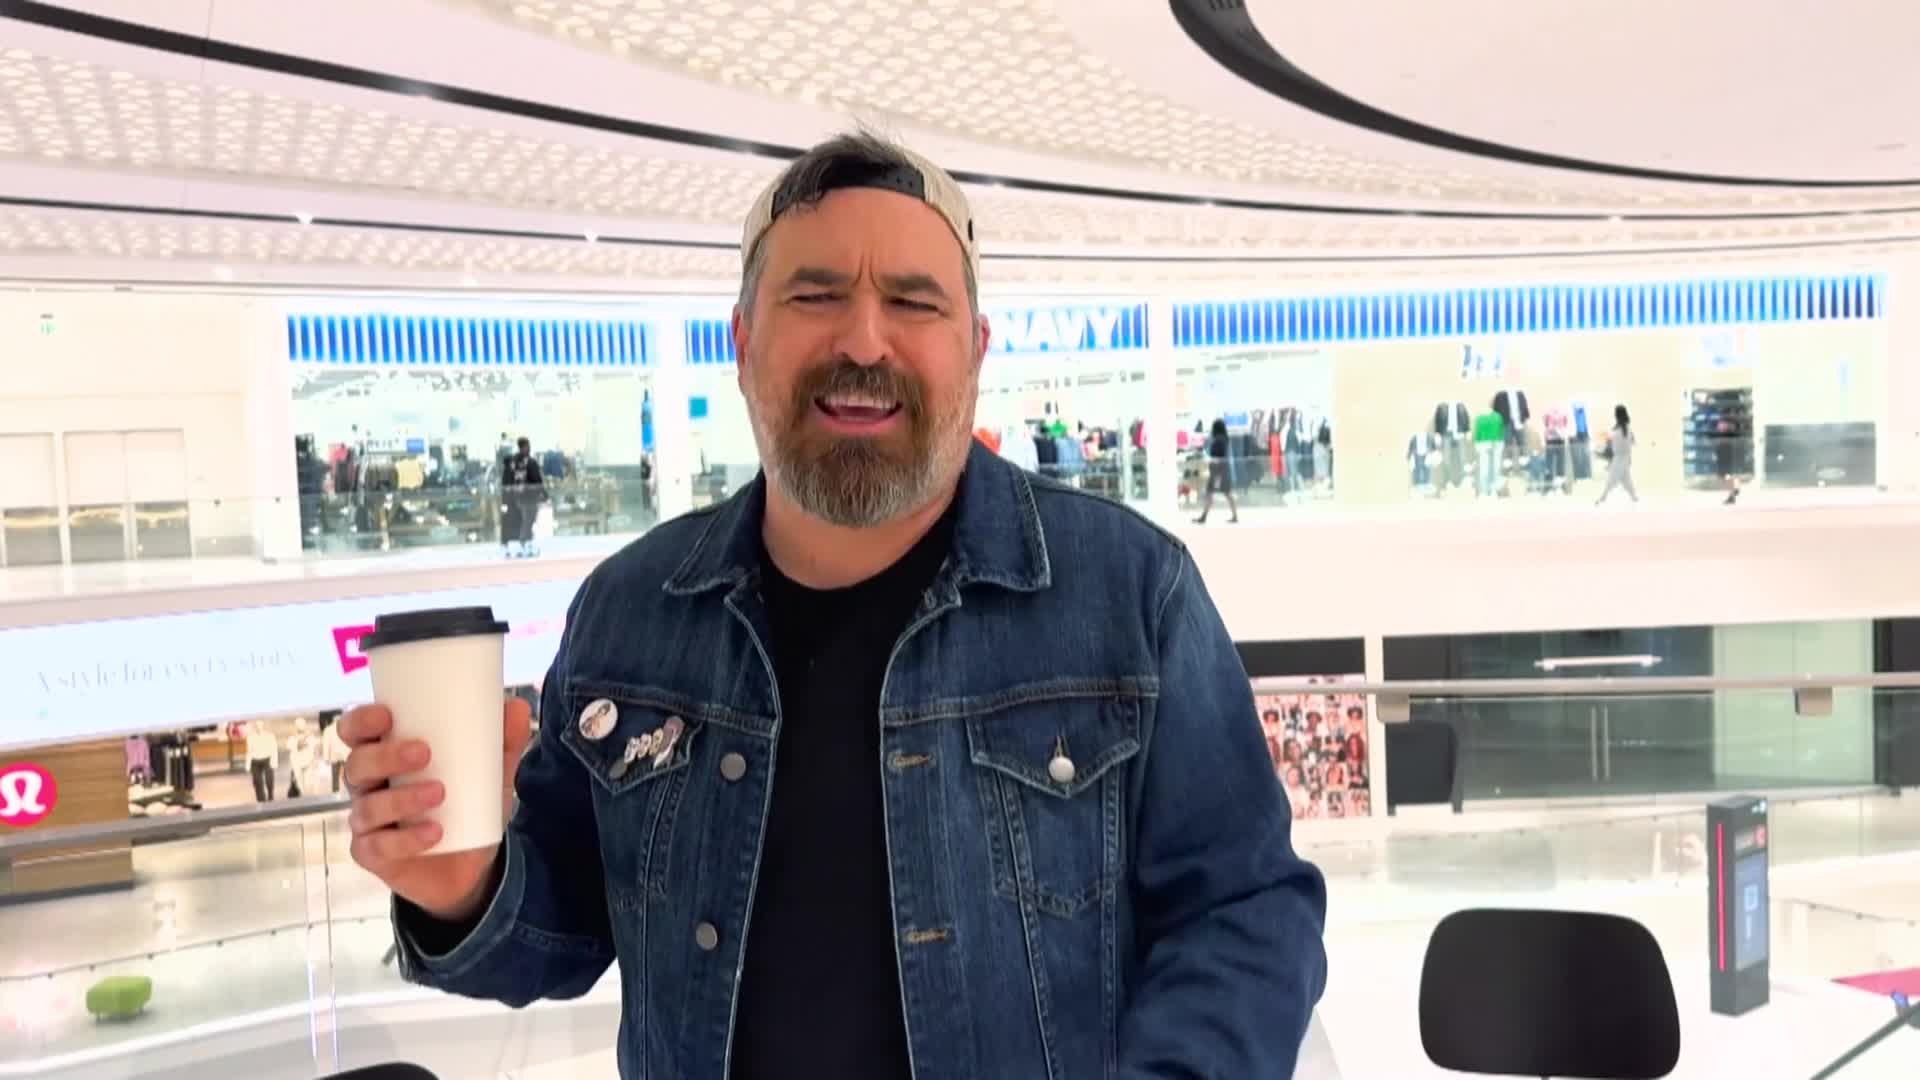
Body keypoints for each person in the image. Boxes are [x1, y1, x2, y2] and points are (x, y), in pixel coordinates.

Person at [340, 131, 1327, 1080]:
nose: (863, 339)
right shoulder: (631, 612)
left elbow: (1246, 911)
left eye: (913, 301)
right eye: (815, 296)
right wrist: (460, 889)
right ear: (742, 343)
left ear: (975, 350)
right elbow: (560, 927)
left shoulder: (1130, 593)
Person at [502, 436, 546, 557]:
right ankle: (524, 545)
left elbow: (509, 478)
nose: (529, 448)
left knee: (526, 521)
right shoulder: (529, 462)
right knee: (528, 521)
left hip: (518, 496)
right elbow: (537, 479)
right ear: (524, 446)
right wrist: (543, 493)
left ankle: (525, 544)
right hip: (529, 496)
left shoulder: (514, 462)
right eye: (527, 446)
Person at [1193, 416, 1239, 524]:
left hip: (1217, 469)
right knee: (1225, 492)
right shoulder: (1224, 439)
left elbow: (1218, 457)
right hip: (1222, 469)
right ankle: (1233, 516)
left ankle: (1204, 516)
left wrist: (1209, 459)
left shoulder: (1219, 440)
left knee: (1213, 492)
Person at [1596, 404, 1639, 505]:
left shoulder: (1617, 431)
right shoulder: (1628, 429)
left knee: (1612, 479)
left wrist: (1601, 448)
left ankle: (1602, 498)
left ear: (1616, 415)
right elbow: (1633, 442)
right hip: (1625, 458)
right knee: (1626, 479)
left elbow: (1610, 444)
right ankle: (1634, 498)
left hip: (1619, 459)